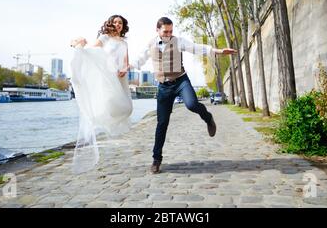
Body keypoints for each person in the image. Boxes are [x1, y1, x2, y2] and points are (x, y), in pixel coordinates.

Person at [131, 17, 236, 174]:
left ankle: (208, 118)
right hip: (163, 87)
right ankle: (156, 159)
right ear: (157, 30)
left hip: (181, 81)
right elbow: (138, 61)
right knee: (162, 123)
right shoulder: (150, 45)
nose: (168, 34)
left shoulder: (179, 41)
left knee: (192, 104)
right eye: (165, 31)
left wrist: (218, 51)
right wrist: (126, 68)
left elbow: (196, 48)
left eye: (171, 31)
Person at [70, 15, 132, 173]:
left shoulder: (124, 43)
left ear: (123, 26)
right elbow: (93, 51)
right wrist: (80, 48)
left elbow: (125, 61)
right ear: (111, 24)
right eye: (115, 22)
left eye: (120, 23)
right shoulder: (104, 38)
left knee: (127, 108)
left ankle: (109, 119)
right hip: (107, 75)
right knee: (109, 101)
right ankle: (100, 117)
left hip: (120, 77)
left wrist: (124, 69)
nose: (118, 24)